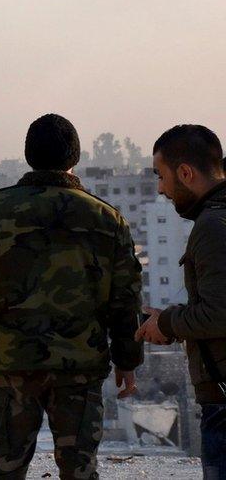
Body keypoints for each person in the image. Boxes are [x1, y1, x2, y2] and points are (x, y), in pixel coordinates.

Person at [0, 114, 143, 480]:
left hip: (11, 365)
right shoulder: (107, 219)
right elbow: (125, 300)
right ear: (74, 158)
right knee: (80, 472)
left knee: (5, 471)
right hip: (80, 367)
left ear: (28, 156)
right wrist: (127, 361)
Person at [136, 125, 226, 478]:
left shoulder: (213, 225)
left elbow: (220, 312)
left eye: (162, 176)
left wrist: (168, 323)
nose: (161, 188)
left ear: (185, 173)